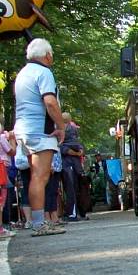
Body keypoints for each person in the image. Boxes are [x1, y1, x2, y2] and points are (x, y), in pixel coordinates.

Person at [13, 38, 67, 236]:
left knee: (35, 177)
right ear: (47, 55)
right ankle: (38, 223)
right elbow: (50, 102)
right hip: (40, 130)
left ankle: (38, 220)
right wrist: (61, 126)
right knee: (40, 176)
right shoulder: (43, 72)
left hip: (24, 130)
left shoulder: (23, 74)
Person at [60, 112, 89, 221]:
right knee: (76, 188)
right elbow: (75, 145)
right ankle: (80, 212)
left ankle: (72, 213)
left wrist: (77, 152)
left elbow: (63, 148)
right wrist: (79, 151)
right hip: (74, 164)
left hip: (68, 164)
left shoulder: (63, 130)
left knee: (71, 188)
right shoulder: (73, 130)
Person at [0, 124, 16, 238]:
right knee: (2, 198)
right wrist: (11, 139)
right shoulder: (1, 138)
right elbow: (12, 152)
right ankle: (0, 229)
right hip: (2, 168)